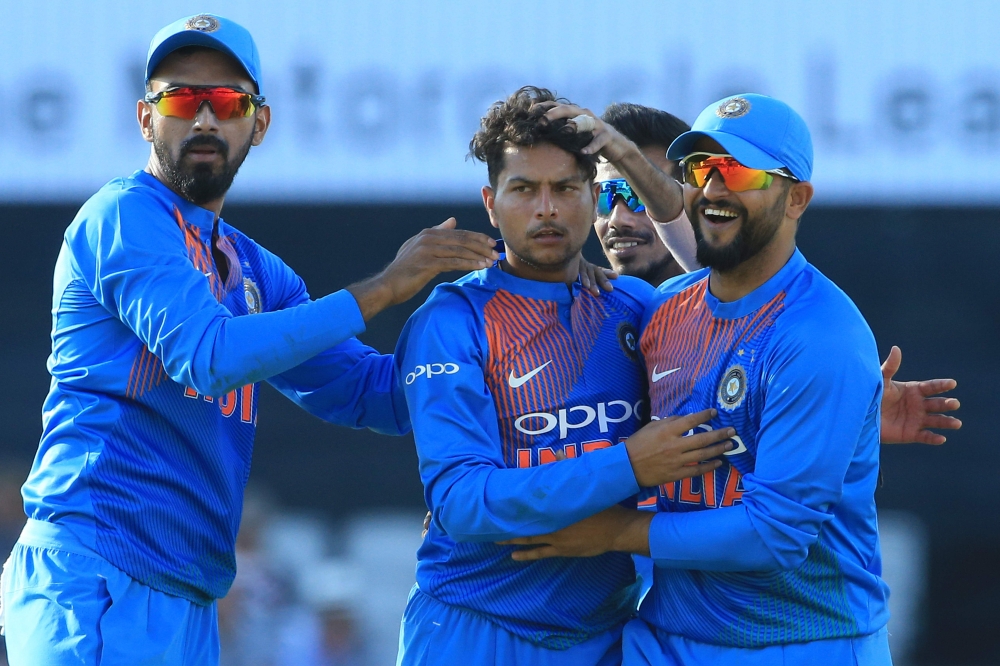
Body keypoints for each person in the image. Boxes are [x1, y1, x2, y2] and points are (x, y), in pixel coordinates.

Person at [0, 14, 500, 666]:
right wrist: (382, 288)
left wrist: (478, 329)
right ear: (145, 117)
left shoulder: (257, 270)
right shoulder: (123, 216)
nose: (205, 119)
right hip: (97, 574)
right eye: (182, 99)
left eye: (228, 102)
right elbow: (207, 357)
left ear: (258, 124)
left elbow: (372, 394)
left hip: (187, 596)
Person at [502, 94, 903, 664]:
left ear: (797, 199)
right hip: (664, 639)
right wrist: (483, 490)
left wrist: (615, 533)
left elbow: (775, 535)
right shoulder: (665, 308)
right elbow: (585, 416)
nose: (714, 189)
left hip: (801, 642)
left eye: (736, 171)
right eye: (699, 169)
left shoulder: (822, 338)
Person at [394, 86, 736, 666]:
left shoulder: (633, 306)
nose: (547, 209)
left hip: (601, 635)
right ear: (491, 201)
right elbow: (461, 503)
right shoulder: (453, 320)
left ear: (589, 196)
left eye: (567, 189)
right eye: (524, 189)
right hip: (472, 630)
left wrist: (847, 400)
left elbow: (739, 335)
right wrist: (628, 464)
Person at [595, 102, 960, 444]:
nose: (620, 216)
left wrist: (838, 415)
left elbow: (782, 511)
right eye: (606, 194)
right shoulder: (633, 310)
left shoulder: (804, 328)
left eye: (641, 189)